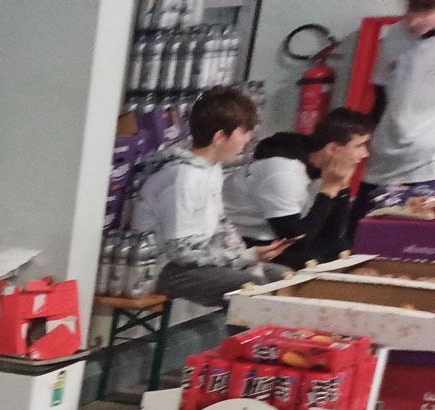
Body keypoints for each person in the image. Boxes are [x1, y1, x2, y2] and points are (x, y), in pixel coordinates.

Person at [132, 86, 289, 308]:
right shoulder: (181, 178)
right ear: (219, 137)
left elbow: (221, 225)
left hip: (193, 260)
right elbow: (181, 253)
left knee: (283, 278)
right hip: (161, 267)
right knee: (252, 288)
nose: (248, 138)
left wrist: (246, 257)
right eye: (244, 131)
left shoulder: (211, 167)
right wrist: (245, 258)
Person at [223, 109, 372, 268]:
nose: (365, 154)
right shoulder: (283, 172)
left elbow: (332, 234)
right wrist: (329, 190)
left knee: (341, 248)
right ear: (333, 149)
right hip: (244, 240)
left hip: (279, 238)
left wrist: (341, 187)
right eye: (359, 146)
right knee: (307, 261)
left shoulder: (324, 168)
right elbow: (295, 242)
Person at [365, 1, 435, 195]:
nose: (413, 21)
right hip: (385, 153)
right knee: (369, 214)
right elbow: (380, 93)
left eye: (425, 11)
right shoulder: (394, 35)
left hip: (428, 161)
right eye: (411, 10)